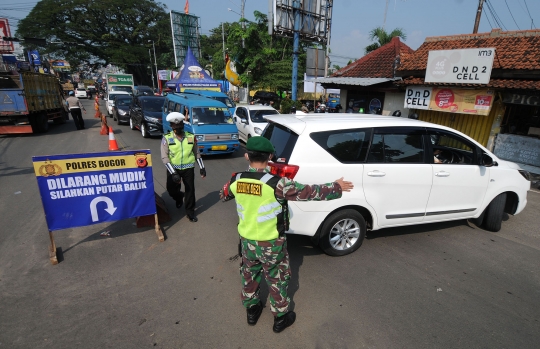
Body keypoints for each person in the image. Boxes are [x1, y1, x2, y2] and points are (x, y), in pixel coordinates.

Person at [219, 137, 354, 333]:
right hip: (271, 243)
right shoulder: (277, 184)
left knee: (249, 275)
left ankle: (252, 311)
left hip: (247, 241)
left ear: (247, 156)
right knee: (277, 278)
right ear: (270, 157)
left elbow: (223, 195)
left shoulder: (236, 180)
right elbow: (310, 192)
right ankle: (280, 318)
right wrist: (336, 187)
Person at [161, 112, 206, 222]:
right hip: (173, 168)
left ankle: (190, 212)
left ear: (183, 125)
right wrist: (174, 173)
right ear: (172, 126)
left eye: (180, 126)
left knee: (190, 190)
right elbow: (164, 157)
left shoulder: (191, 137)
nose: (178, 129)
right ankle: (178, 196)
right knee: (171, 190)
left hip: (188, 168)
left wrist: (202, 167)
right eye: (175, 127)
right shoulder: (166, 138)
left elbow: (197, 153)